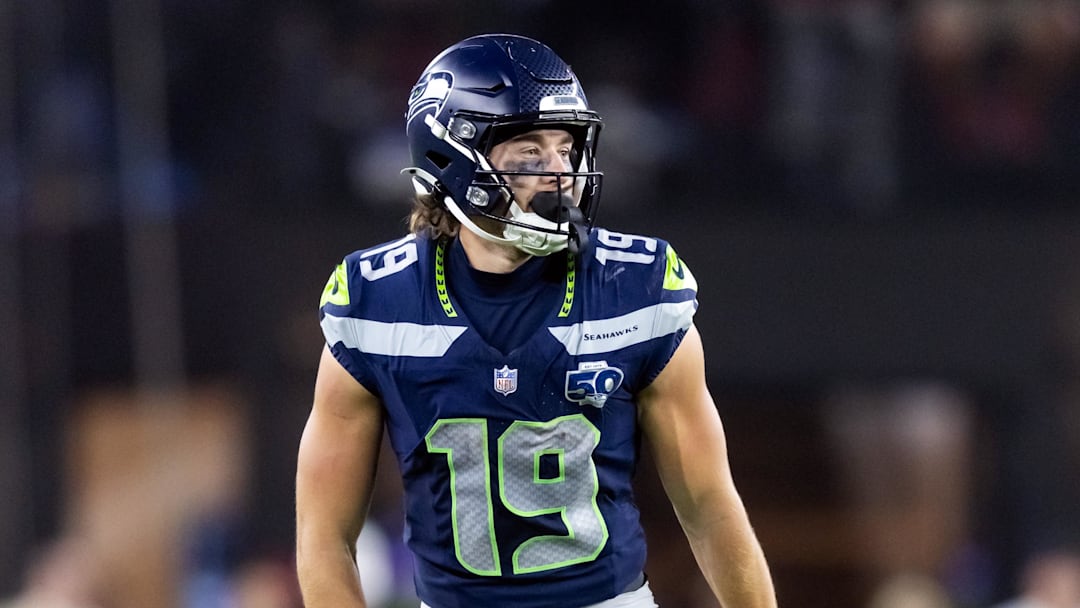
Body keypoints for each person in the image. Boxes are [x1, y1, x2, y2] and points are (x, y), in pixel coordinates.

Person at [295, 33, 776, 608]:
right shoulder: (376, 302)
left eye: (567, 148)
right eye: (529, 151)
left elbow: (710, 509)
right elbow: (324, 536)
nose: (560, 172)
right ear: (450, 159)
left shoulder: (634, 287)